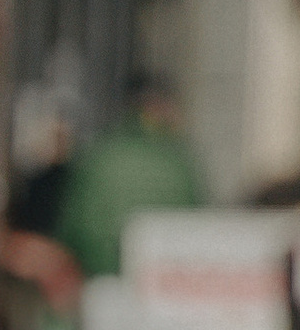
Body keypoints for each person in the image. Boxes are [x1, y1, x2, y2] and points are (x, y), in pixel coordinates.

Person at [53, 71, 206, 285]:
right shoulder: (178, 160)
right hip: (162, 285)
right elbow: (199, 223)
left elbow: (73, 224)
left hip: (101, 281)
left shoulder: (100, 154)